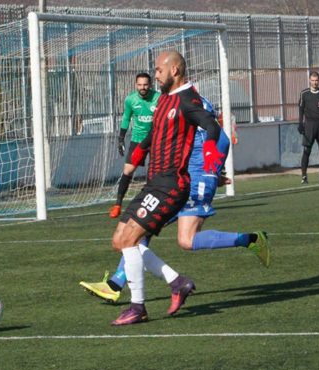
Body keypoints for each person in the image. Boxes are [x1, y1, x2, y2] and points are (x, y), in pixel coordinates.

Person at [80, 97, 271, 305]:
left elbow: (214, 154)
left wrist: (211, 177)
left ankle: (251, 240)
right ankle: (115, 284)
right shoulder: (190, 130)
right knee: (142, 228)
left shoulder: (211, 134)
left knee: (186, 240)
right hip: (178, 186)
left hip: (194, 188)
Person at [106, 50, 228, 326]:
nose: (156, 75)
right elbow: (154, 132)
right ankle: (177, 282)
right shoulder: (164, 100)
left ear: (174, 70)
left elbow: (211, 125)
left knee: (130, 240)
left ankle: (137, 307)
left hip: (172, 185)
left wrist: (210, 150)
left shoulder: (188, 99)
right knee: (120, 240)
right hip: (154, 183)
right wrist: (140, 151)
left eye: (159, 70)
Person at [109, 73, 160, 219]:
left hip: (155, 140)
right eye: (140, 85)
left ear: (150, 85)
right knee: (128, 170)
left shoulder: (159, 98)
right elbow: (126, 118)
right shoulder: (130, 99)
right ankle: (118, 205)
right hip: (137, 140)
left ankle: (153, 204)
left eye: (145, 85)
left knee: (155, 172)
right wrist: (121, 139)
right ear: (136, 85)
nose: (143, 87)